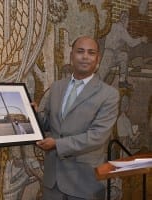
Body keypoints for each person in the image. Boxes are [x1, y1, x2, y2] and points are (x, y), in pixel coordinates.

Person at [36, 36, 119, 200]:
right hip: (52, 182)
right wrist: (33, 114)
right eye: (80, 51)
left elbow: (97, 137)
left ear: (98, 59)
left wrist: (57, 144)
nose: (85, 56)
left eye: (91, 52)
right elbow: (49, 125)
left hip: (84, 183)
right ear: (71, 56)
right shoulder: (57, 87)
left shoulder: (109, 94)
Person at [97, 11, 147, 88]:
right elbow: (131, 43)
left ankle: (122, 81)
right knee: (100, 76)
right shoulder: (121, 29)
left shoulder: (113, 25)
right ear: (124, 20)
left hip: (113, 53)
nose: (128, 24)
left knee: (124, 56)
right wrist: (141, 39)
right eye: (127, 21)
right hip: (109, 54)